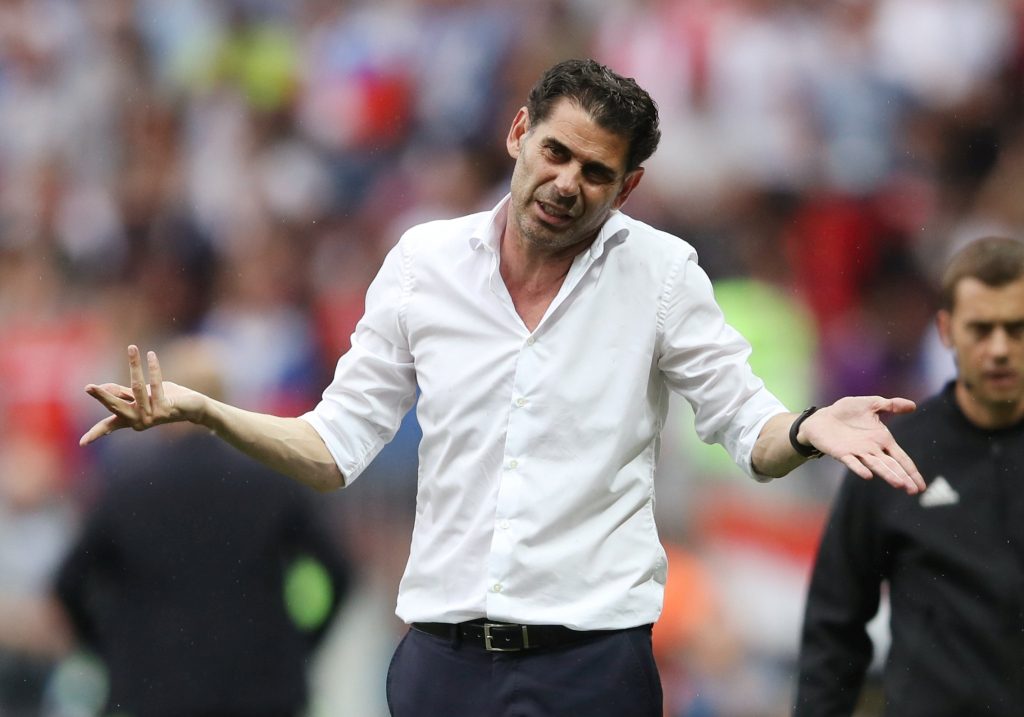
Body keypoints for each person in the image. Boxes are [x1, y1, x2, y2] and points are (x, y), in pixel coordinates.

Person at [80, 58, 924, 717]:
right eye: (555, 152)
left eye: (596, 172)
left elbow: (747, 426)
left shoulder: (664, 275)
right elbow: (333, 449)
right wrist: (206, 410)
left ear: (626, 187)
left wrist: (807, 427)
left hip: (593, 663)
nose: (567, 183)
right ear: (519, 133)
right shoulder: (423, 263)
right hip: (442, 663)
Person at [793, 235, 1024, 717]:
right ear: (946, 330)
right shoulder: (894, 454)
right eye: (982, 329)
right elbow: (834, 625)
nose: (1000, 349)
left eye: (1017, 328)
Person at [61, 337, 352, 717]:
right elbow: (339, 571)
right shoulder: (270, 481)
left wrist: (113, 651)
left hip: (157, 691)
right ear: (224, 401)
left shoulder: (128, 485)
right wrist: (298, 646)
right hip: (262, 690)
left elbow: (69, 583)